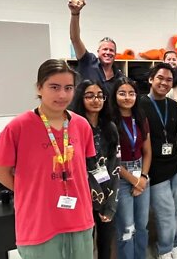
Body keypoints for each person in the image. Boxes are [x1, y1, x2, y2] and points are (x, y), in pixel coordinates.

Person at [0, 59, 96, 259]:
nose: (62, 95)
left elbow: (83, 168)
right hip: (39, 223)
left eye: (68, 88)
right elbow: (1, 173)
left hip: (79, 219)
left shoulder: (82, 125)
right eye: (54, 87)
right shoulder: (18, 127)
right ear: (39, 87)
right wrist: (33, 192)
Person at [70, 79, 120, 259]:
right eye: (89, 96)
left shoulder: (110, 127)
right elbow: (78, 167)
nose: (96, 100)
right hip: (82, 195)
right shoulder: (73, 128)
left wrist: (110, 203)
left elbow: (115, 165)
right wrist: (98, 200)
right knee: (84, 246)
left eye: (100, 96)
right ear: (80, 99)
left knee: (106, 244)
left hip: (106, 194)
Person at [139, 63, 177, 259]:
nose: (164, 83)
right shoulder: (139, 105)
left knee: (176, 208)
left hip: (174, 165)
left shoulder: (174, 105)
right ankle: (165, 249)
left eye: (168, 80)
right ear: (151, 79)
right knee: (165, 212)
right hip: (154, 169)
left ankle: (175, 242)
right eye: (160, 78)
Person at [110, 77, 151, 259]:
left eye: (131, 93)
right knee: (127, 226)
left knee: (142, 225)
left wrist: (142, 177)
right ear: (114, 96)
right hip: (120, 177)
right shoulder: (109, 121)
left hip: (141, 173)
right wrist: (134, 180)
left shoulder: (141, 118)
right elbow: (111, 160)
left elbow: (148, 152)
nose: (127, 97)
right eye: (122, 93)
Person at [68, 0, 124, 94]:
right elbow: (75, 38)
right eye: (105, 49)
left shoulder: (119, 77)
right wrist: (75, 14)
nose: (108, 52)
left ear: (115, 55)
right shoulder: (88, 61)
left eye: (111, 50)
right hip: (81, 110)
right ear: (98, 52)